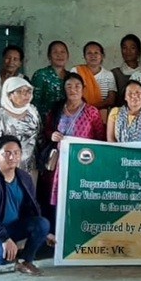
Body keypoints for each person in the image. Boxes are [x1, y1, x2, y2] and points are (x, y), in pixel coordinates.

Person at [0, 135, 56, 276]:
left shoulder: (24, 177)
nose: (12, 157)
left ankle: (25, 262)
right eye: (7, 153)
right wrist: (4, 239)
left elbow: (31, 207)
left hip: (14, 227)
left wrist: (44, 232)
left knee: (42, 224)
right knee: (3, 258)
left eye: (16, 153)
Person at [44, 73, 105, 207]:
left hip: (84, 162)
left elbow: (100, 137)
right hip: (60, 162)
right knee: (60, 198)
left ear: (83, 89)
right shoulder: (57, 109)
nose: (73, 90)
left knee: (80, 195)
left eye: (77, 86)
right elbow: (47, 130)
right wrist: (52, 135)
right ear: (64, 89)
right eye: (69, 86)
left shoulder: (91, 111)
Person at [0, 77, 41, 186]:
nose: (25, 95)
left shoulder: (33, 111)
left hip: (30, 166)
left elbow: (40, 134)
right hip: (7, 167)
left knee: (28, 198)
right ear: (9, 95)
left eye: (28, 91)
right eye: (20, 91)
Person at [70, 41, 117, 121]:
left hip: (101, 115)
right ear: (84, 56)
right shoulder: (76, 71)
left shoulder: (108, 74)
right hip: (79, 115)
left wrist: (90, 108)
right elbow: (70, 94)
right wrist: (83, 110)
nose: (93, 56)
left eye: (96, 53)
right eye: (89, 53)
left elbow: (111, 99)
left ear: (102, 56)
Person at [31, 40, 69, 119]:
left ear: (68, 56)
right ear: (49, 56)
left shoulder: (71, 76)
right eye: (55, 52)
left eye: (63, 52)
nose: (59, 55)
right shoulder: (41, 74)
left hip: (66, 123)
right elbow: (34, 103)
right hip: (44, 123)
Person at [111, 34, 141, 105]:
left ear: (138, 51)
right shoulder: (114, 73)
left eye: (132, 48)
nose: (128, 51)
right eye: (124, 48)